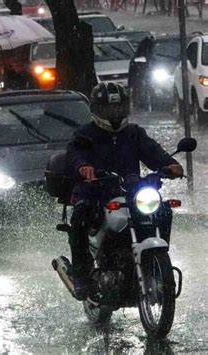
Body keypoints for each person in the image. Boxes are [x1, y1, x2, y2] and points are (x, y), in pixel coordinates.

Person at [66, 82, 183, 300]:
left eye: (118, 109)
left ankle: (156, 260)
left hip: (131, 190)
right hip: (95, 191)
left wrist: (170, 164)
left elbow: (153, 151)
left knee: (164, 210)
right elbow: (75, 154)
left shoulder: (134, 133)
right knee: (80, 215)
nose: (114, 114)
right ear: (96, 111)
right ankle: (81, 275)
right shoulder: (85, 135)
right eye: (108, 110)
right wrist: (83, 167)